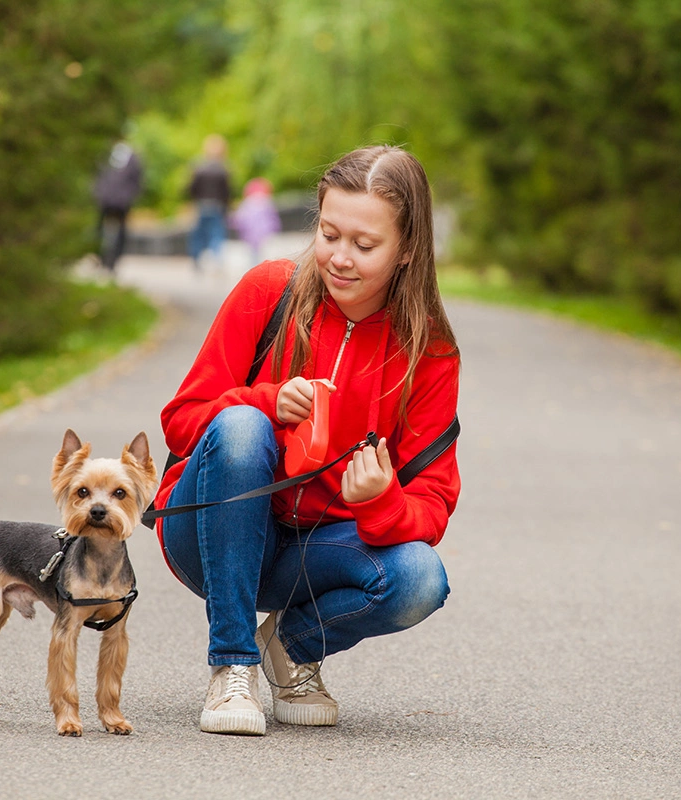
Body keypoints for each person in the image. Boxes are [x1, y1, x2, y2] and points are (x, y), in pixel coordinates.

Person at [153, 145, 461, 736]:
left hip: (313, 556)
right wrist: (264, 402)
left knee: (421, 578)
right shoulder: (269, 291)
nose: (340, 258)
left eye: (364, 245)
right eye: (328, 234)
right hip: (211, 534)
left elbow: (434, 503)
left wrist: (381, 501)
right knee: (242, 426)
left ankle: (291, 648)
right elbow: (183, 421)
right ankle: (232, 665)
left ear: (407, 251)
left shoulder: (430, 352)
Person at [92, 141, 144, 272]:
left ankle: (103, 259)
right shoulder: (133, 156)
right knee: (120, 230)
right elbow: (138, 179)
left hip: (106, 198)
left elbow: (97, 175)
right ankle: (111, 261)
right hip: (121, 200)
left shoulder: (105, 153)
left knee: (101, 228)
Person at [187, 134, 232, 271]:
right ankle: (216, 259)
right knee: (216, 234)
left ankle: (196, 259)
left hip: (202, 204)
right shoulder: (223, 169)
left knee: (199, 233)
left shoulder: (198, 167)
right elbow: (227, 191)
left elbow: (191, 188)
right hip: (217, 206)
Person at [230, 177, 282, 266]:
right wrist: (276, 228)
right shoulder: (267, 202)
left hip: (249, 231)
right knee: (262, 250)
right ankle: (261, 265)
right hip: (264, 230)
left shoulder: (247, 202)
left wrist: (235, 225)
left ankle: (255, 265)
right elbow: (273, 217)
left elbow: (240, 217)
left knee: (253, 251)